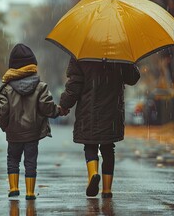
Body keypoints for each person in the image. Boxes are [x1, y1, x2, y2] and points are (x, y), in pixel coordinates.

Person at [58, 57, 140, 198]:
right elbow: (133, 78)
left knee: (90, 145)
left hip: (89, 110)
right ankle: (107, 190)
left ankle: (93, 174)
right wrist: (129, 62)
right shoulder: (119, 53)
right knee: (108, 147)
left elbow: (74, 85)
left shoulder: (81, 55)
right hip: (112, 110)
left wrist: (64, 104)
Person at [0, 43, 66, 200]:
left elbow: (2, 110)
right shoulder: (40, 87)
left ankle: (13, 188)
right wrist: (58, 111)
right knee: (30, 161)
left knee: (13, 160)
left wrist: (4, 126)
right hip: (32, 133)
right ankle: (30, 192)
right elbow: (47, 107)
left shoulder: (6, 89)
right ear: (32, 65)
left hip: (13, 133)